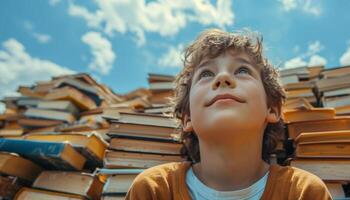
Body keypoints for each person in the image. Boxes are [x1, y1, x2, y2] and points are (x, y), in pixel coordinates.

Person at [126, 29, 332, 200]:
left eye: (242, 70)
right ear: (187, 117)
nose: (223, 77)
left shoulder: (303, 192)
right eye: (206, 74)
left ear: (272, 109)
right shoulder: (154, 190)